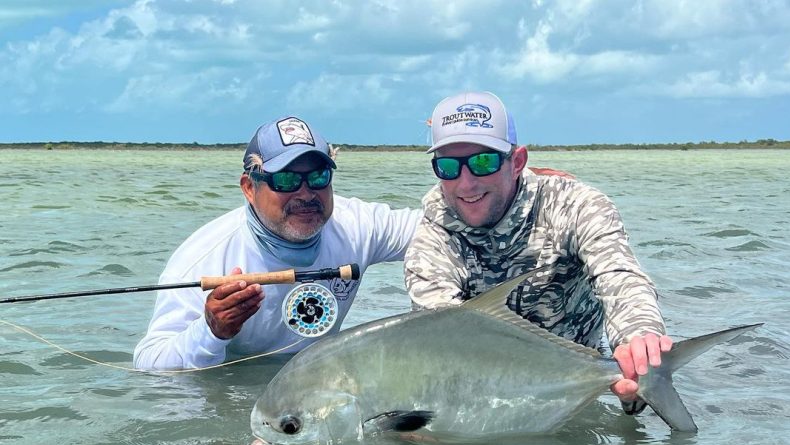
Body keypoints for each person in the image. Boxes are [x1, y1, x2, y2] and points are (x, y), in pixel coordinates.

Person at [404, 91, 672, 414]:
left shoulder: (576, 205)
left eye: (483, 162)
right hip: (486, 400)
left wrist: (639, 341)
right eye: (448, 167)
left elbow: (620, 276)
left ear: (517, 162)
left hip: (584, 390)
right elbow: (443, 340)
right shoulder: (432, 238)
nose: (466, 183)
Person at [135, 116, 421, 370]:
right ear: (249, 188)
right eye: (286, 180)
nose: (306, 194)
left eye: (319, 177)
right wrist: (211, 330)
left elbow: (437, 226)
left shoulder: (357, 225)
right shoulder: (202, 259)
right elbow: (149, 362)